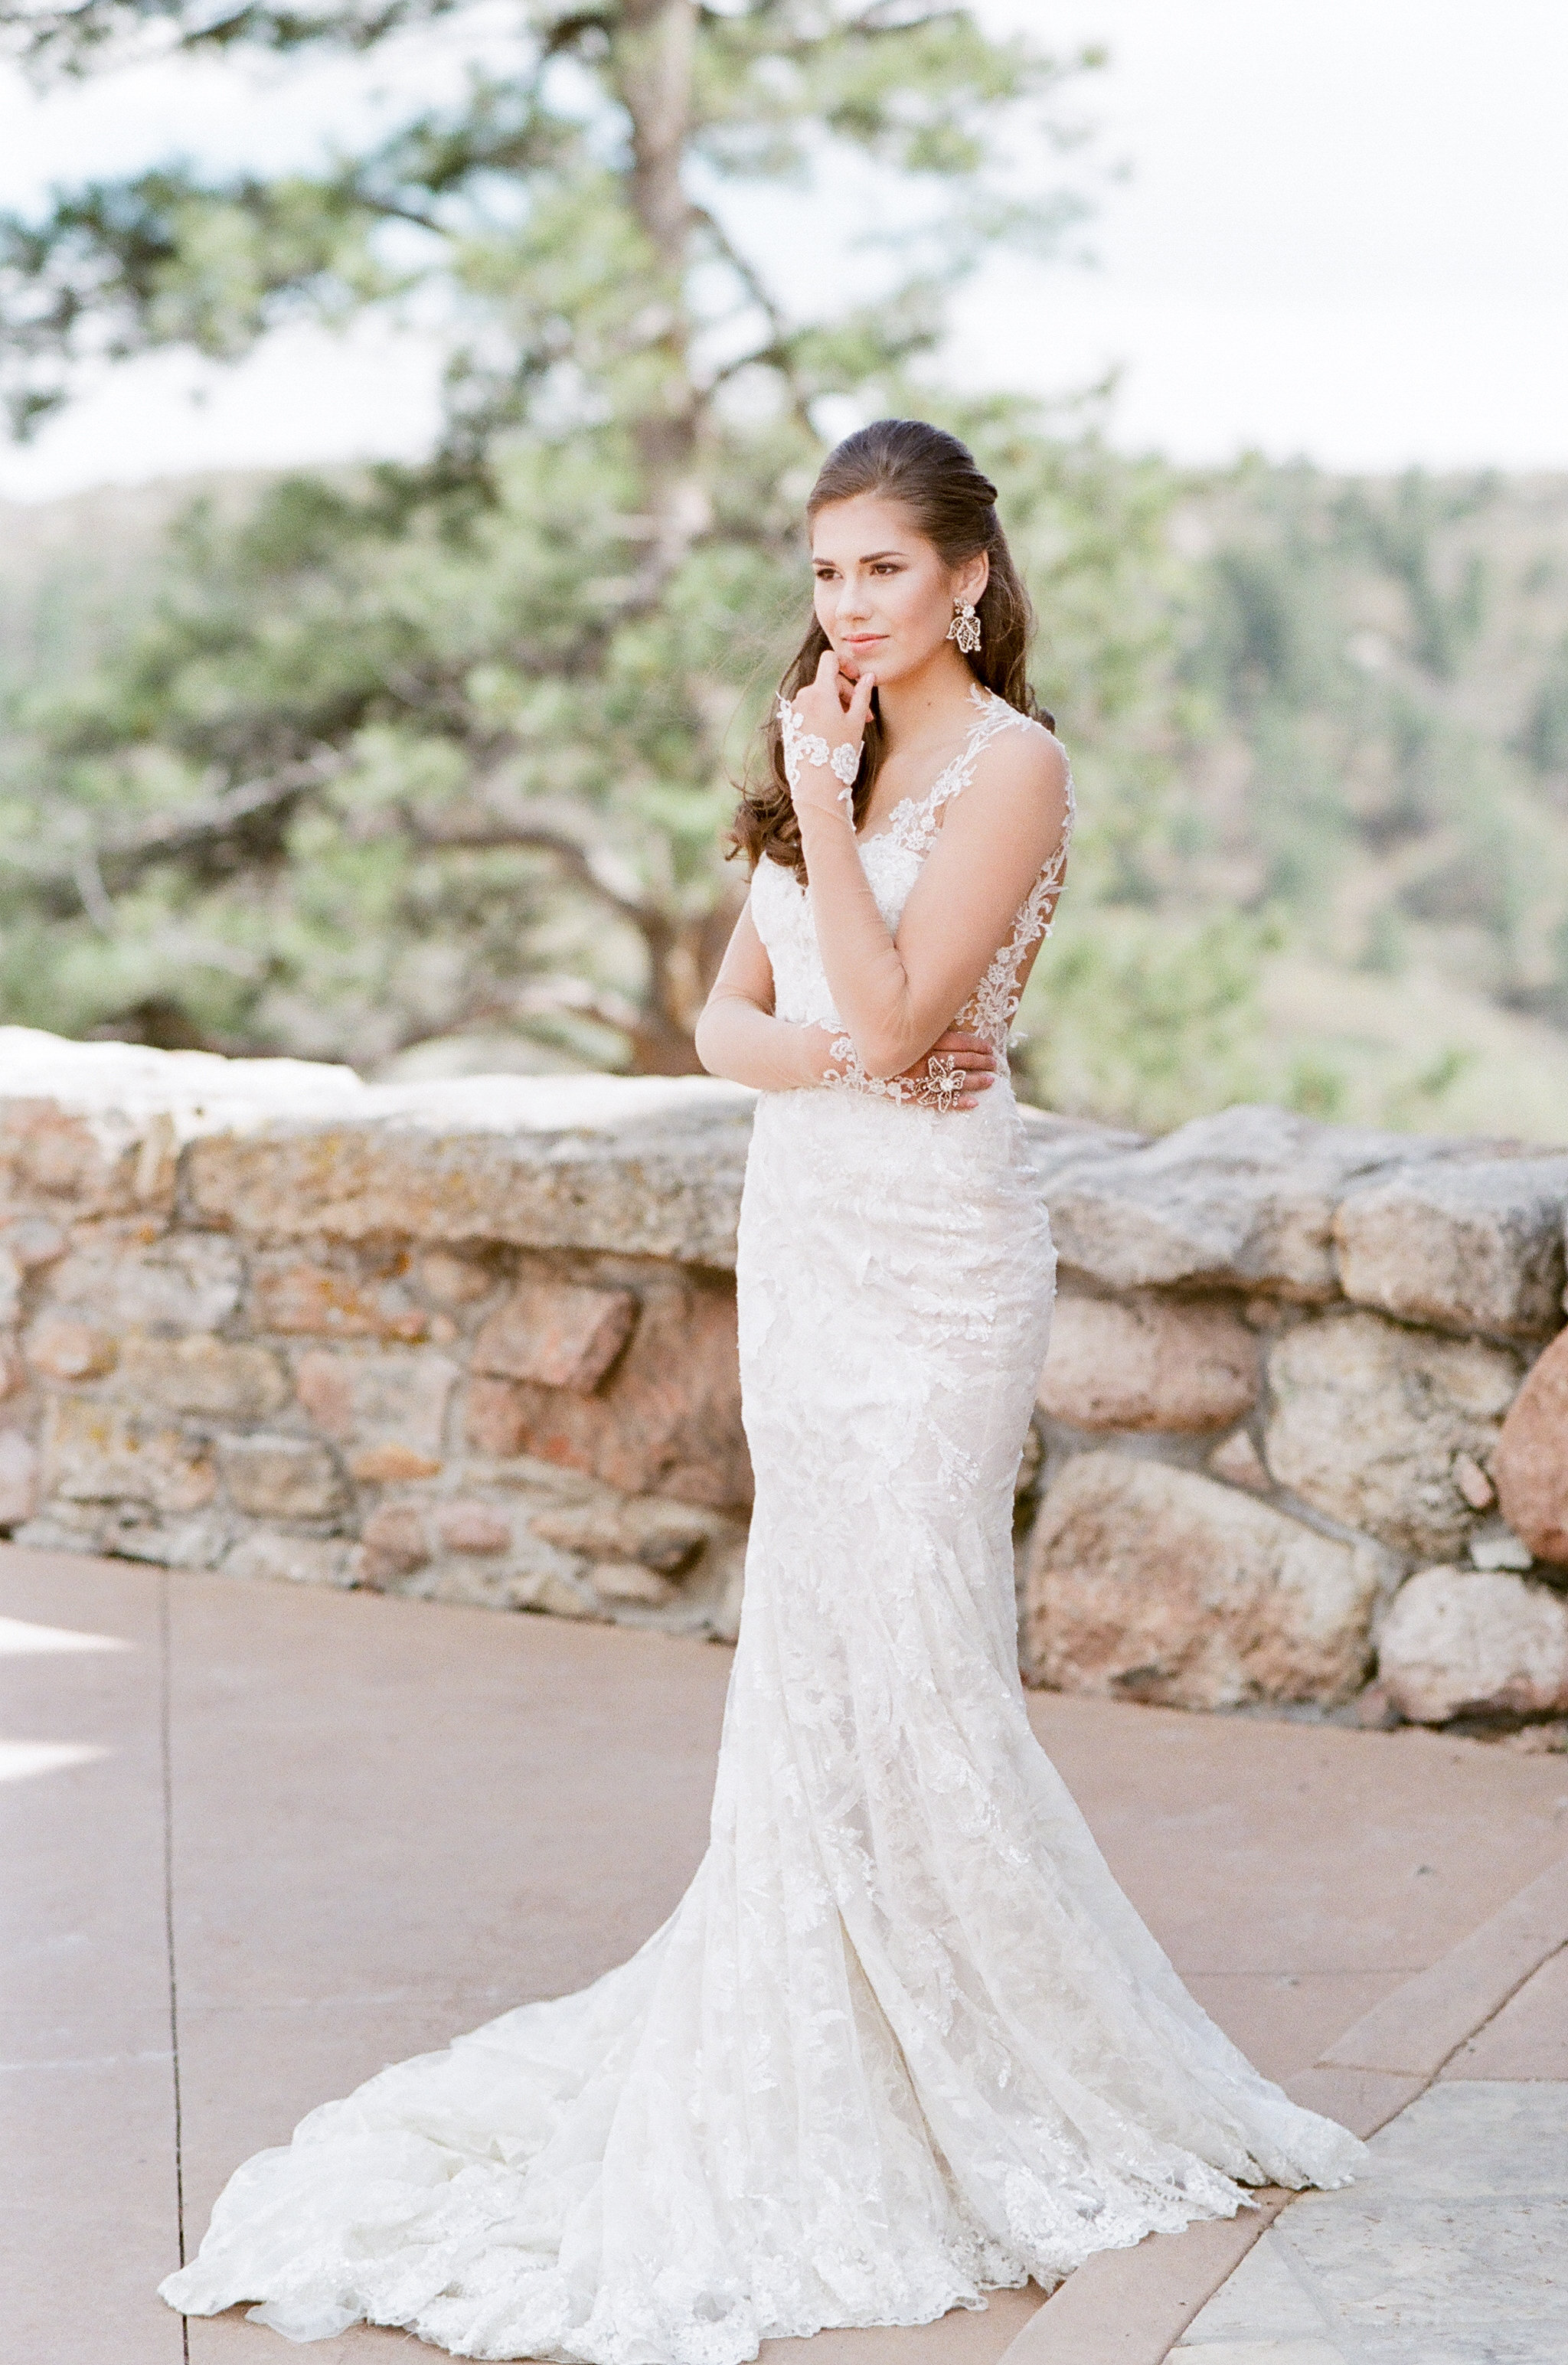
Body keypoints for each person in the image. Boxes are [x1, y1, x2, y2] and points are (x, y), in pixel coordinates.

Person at [160, 420, 1361, 2360]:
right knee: (810, 1654)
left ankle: (974, 2051)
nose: (847, 608)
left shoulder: (1007, 766)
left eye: (882, 570)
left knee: (916, 1649)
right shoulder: (832, 747)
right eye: (822, 574)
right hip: (807, 1240)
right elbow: (739, 1026)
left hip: (942, 1263)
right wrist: (830, 976)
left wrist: (831, 898)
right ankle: (830, 2000)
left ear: (967, 574)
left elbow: (899, 1016)